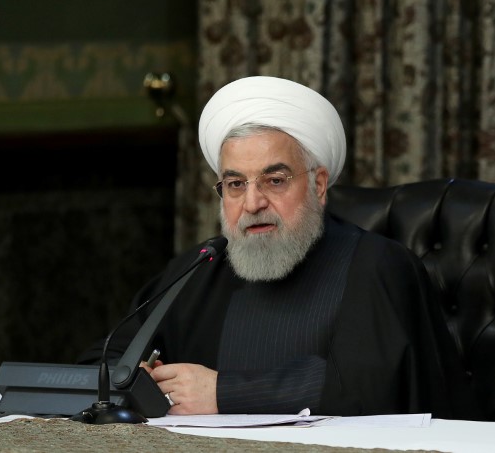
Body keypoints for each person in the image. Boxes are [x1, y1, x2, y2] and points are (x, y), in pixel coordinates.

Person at [78, 76, 449, 416]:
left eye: (274, 180)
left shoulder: (375, 265)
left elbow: (373, 389)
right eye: (236, 185)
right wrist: (131, 378)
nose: (252, 203)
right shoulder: (202, 267)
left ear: (318, 185)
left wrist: (223, 393)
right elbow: (102, 360)